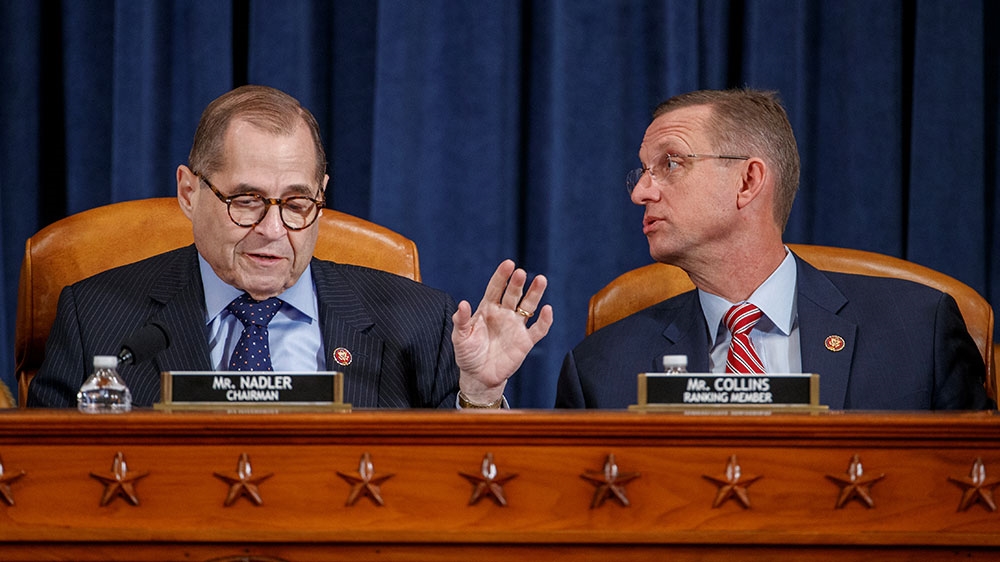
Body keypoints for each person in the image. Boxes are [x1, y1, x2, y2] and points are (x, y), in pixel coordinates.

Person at [28, 85, 552, 409]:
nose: (274, 229)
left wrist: (479, 396)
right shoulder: (96, 319)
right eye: (247, 200)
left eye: (298, 203)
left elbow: (460, 498)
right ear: (189, 192)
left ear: (322, 195)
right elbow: (45, 489)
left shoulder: (417, 323)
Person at [556, 88, 990, 410]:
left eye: (671, 163)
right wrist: (502, 392)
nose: (641, 193)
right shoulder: (600, 370)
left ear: (748, 181)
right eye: (642, 172)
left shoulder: (917, 331)